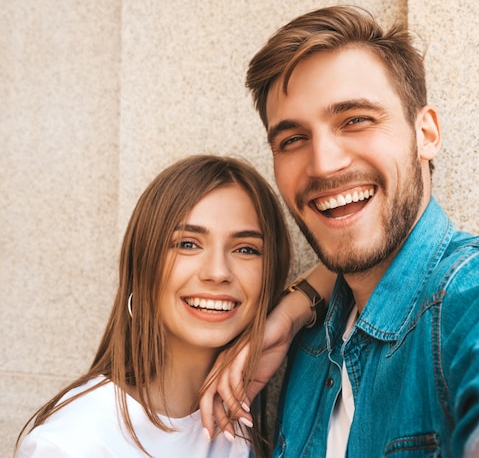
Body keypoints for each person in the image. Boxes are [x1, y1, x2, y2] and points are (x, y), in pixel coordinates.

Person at [201, 5, 479, 457]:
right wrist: (297, 306)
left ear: (425, 132)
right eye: (292, 140)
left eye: (356, 120)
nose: (324, 163)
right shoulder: (308, 344)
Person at [15, 154, 294, 457]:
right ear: (143, 265)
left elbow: (344, 261)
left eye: (245, 249)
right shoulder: (72, 443)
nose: (217, 272)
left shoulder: (235, 415)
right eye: (188, 244)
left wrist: (294, 311)